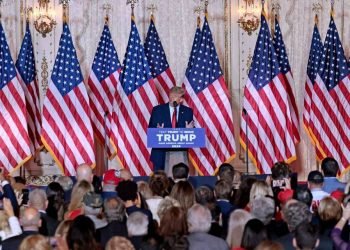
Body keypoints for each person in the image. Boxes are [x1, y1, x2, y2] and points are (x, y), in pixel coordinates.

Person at [149, 86, 194, 173]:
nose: (172, 98)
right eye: (171, 95)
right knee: (160, 182)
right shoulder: (157, 110)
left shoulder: (188, 111)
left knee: (179, 180)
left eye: (175, 96)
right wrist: (157, 131)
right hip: (160, 153)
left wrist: (190, 130)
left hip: (180, 153)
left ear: (181, 100)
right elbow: (150, 129)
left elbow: (192, 133)